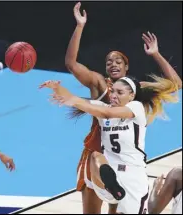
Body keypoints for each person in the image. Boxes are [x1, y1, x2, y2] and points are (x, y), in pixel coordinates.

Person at [64, 2, 182, 214]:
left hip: (122, 159)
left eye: (119, 60)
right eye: (109, 61)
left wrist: (156, 54)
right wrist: (80, 25)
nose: (113, 63)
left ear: (127, 67)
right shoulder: (100, 85)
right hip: (97, 155)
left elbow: (175, 84)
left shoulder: (136, 91)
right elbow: (71, 64)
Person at [39, 75, 178, 214]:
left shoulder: (136, 107)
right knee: (95, 157)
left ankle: (115, 190)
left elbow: (107, 113)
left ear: (131, 95)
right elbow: (74, 98)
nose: (113, 95)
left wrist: (74, 101)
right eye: (112, 91)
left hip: (132, 176)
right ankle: (112, 188)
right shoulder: (102, 107)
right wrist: (57, 88)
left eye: (119, 92)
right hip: (110, 173)